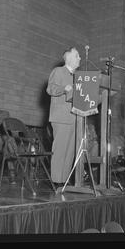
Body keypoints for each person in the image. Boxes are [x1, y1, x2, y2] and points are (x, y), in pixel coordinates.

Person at [46, 47, 81, 187]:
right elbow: (50, 89)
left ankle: (65, 181)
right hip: (61, 117)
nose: (80, 58)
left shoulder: (78, 76)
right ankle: (55, 181)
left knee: (70, 153)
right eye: (77, 56)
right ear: (69, 58)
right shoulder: (58, 71)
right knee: (60, 150)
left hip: (75, 118)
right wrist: (63, 89)